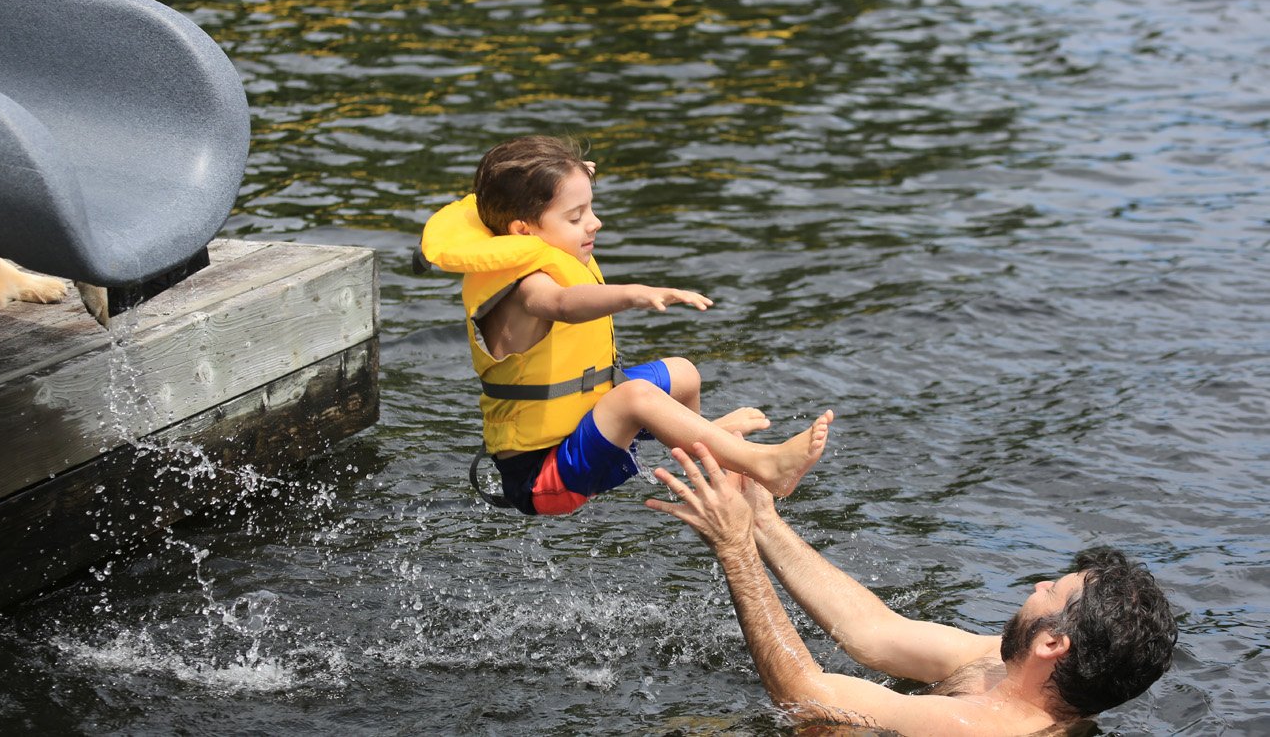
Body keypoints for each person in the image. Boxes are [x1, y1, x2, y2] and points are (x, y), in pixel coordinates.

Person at [418, 135, 829, 515]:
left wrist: (573, 173)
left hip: (579, 424)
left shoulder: (535, 234)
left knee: (683, 374)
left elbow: (542, 188)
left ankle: (703, 443)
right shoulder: (527, 287)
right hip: (544, 475)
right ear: (523, 230)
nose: (594, 222)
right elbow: (562, 303)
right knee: (634, 396)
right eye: (576, 217)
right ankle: (765, 465)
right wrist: (634, 293)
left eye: (590, 208)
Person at [648, 443, 1179, 735]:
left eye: (1052, 591)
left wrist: (735, 549)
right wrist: (762, 521)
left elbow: (805, 695)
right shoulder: (1005, 667)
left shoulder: (979, 729)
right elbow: (873, 632)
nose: (1039, 584)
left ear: (1052, 643)